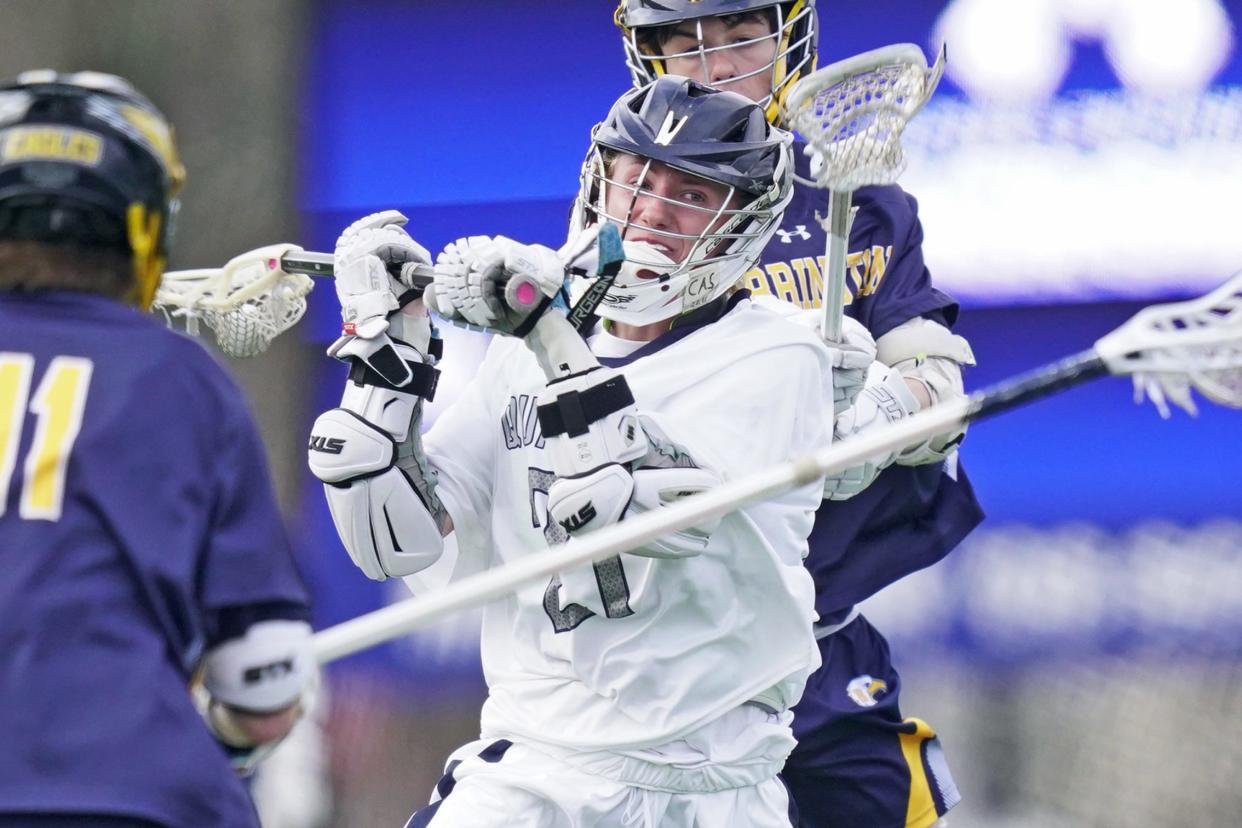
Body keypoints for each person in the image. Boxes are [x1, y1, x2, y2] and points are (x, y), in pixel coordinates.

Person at [308, 76, 841, 826]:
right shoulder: (523, 352)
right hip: (540, 770)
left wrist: (547, 332)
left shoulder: (779, 354)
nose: (650, 212)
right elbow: (404, 539)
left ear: (739, 222)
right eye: (637, 180)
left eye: (689, 192)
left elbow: (637, 511)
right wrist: (386, 365)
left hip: (717, 788)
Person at [615, 3, 986, 826]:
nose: (714, 67)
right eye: (685, 45)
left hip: (818, 632)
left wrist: (886, 419)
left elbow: (934, 375)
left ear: (789, 38)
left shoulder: (860, 199)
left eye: (740, 35)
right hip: (677, 649)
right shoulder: (640, 200)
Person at [0, 71, 315, 828]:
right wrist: (217, 750)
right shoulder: (181, 380)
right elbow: (264, 683)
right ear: (142, 225)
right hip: (134, 795)